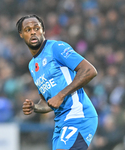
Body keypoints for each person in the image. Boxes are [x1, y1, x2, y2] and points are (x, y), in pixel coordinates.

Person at [16, 14, 98, 150]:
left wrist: (61, 95)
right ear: (21, 34)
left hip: (78, 115)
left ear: (43, 30)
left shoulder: (56, 48)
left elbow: (89, 70)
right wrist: (35, 108)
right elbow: (48, 102)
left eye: (36, 28)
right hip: (61, 122)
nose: (33, 32)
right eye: (28, 29)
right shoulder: (32, 65)